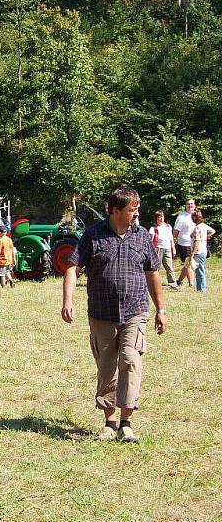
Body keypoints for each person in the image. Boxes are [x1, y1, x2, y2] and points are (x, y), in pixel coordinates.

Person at [61, 186, 167, 443]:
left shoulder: (142, 236)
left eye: (137, 209)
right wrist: (68, 300)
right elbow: (72, 267)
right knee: (106, 366)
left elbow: (152, 273)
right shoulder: (93, 235)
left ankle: (126, 423)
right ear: (116, 210)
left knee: (130, 360)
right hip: (101, 314)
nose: (137, 214)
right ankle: (109, 423)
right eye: (132, 210)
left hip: (135, 311)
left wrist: (161, 310)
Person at [148, 210, 177, 289]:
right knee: (156, 267)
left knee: (169, 266)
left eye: (162, 216)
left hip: (167, 248)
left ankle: (172, 283)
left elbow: (171, 238)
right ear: (156, 218)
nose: (161, 218)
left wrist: (173, 248)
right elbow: (150, 241)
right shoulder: (153, 228)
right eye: (159, 217)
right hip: (158, 249)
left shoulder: (168, 226)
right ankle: (154, 283)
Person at [191, 210, 216, 293]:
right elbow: (213, 231)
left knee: (199, 271)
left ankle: (202, 289)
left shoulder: (197, 227)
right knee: (200, 270)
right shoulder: (203, 225)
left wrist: (193, 252)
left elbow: (197, 241)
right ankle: (201, 288)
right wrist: (206, 237)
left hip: (198, 252)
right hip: (204, 251)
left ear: (195, 218)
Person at [174, 198, 196, 287]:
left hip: (194, 243)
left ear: (194, 205)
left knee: (187, 264)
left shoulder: (196, 215)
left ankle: (179, 281)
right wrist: (174, 242)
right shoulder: (181, 216)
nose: (190, 206)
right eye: (188, 204)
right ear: (185, 206)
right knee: (189, 263)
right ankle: (191, 283)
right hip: (184, 243)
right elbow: (176, 231)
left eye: (192, 204)